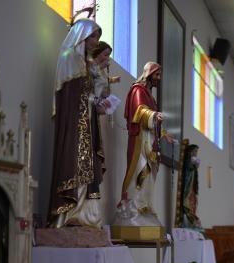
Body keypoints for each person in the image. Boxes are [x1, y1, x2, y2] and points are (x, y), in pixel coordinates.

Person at [48, 19, 109, 228]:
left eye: (97, 37)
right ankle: (70, 213)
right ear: (81, 35)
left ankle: (85, 215)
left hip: (87, 124)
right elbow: (69, 95)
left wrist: (97, 103)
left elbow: (90, 93)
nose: (95, 41)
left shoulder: (87, 63)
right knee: (74, 163)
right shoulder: (68, 58)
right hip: (75, 123)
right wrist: (91, 101)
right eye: (93, 36)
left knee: (88, 165)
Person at [118, 62, 172, 226]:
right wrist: (154, 115)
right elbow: (139, 111)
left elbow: (154, 119)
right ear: (149, 74)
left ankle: (146, 205)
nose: (159, 78)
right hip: (140, 141)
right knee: (141, 170)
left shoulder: (150, 95)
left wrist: (164, 134)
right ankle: (135, 207)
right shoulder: (138, 90)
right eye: (157, 75)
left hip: (151, 140)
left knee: (150, 173)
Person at [178, 144, 202, 228]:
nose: (196, 153)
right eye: (195, 151)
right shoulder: (188, 160)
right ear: (190, 152)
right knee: (187, 202)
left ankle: (192, 222)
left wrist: (195, 166)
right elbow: (188, 168)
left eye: (196, 152)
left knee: (193, 202)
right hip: (187, 185)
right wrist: (193, 166)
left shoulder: (193, 160)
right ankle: (189, 222)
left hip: (191, 186)